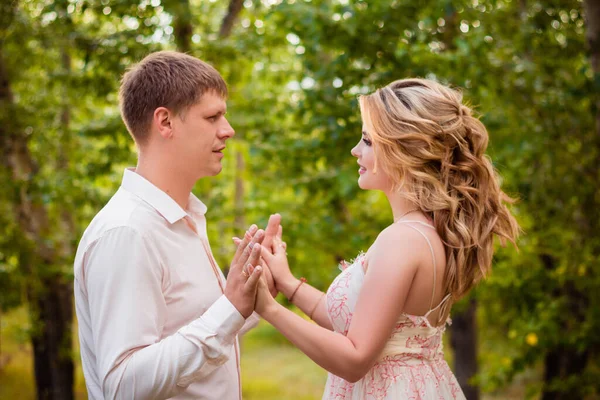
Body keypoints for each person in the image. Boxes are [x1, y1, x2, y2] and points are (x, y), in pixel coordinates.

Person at [253, 78, 520, 399]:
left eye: (367, 140)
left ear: (403, 149)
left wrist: (268, 308)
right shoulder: (425, 232)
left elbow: (354, 359)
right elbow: (357, 322)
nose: (355, 150)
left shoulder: (403, 240)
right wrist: (286, 282)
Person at [73, 51, 280, 399]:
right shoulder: (128, 232)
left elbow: (191, 337)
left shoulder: (185, 220)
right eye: (213, 117)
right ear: (165, 123)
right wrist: (229, 310)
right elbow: (122, 385)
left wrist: (253, 296)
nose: (228, 131)